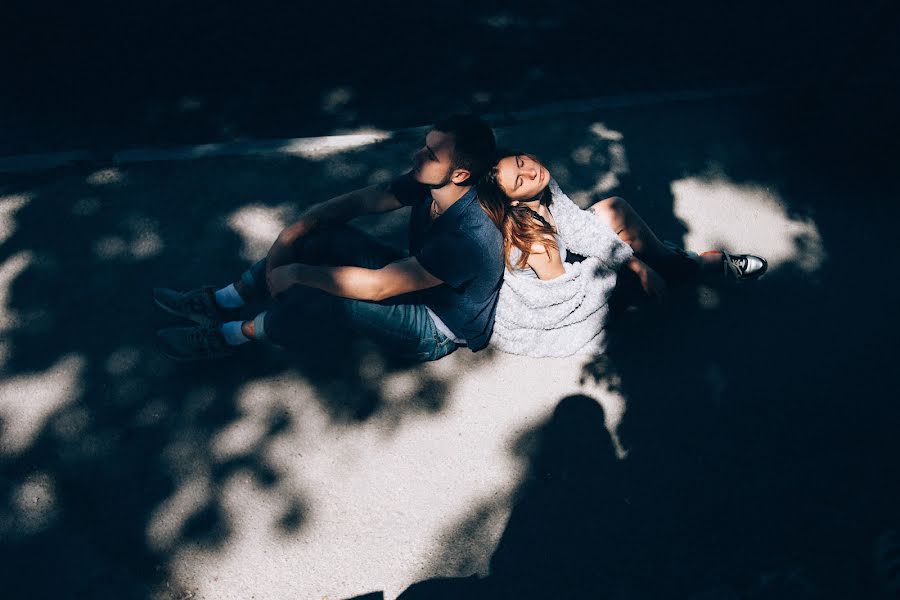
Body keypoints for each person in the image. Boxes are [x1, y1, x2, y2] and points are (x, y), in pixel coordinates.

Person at [153, 114, 503, 363]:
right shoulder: (429, 180)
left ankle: (228, 335)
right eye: (424, 146)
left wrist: (297, 273)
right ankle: (222, 300)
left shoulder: (469, 236)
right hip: (418, 280)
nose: (417, 155)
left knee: (334, 297)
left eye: (430, 154)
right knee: (321, 235)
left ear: (460, 174)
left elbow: (378, 287)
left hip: (435, 324)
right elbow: (362, 201)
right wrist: (298, 228)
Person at [478, 150, 767, 357]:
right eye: (520, 180)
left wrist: (635, 264)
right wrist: (627, 269)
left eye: (521, 161)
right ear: (514, 202)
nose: (531, 171)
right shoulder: (535, 243)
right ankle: (699, 265)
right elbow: (564, 298)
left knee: (614, 210)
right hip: (552, 306)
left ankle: (678, 264)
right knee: (629, 277)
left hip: (565, 274)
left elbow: (578, 228)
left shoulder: (543, 187)